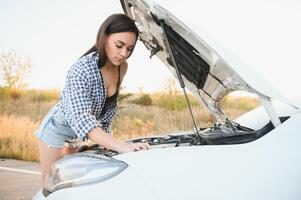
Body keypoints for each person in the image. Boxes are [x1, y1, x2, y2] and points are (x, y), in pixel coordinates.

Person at [34, 13, 151, 184]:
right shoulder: (81, 69)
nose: (123, 53)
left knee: (76, 186)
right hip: (57, 133)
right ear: (104, 37)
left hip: (82, 136)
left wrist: (109, 141)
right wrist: (122, 147)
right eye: (119, 45)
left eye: (129, 48)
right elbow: (82, 119)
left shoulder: (122, 68)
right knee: (52, 186)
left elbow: (109, 109)